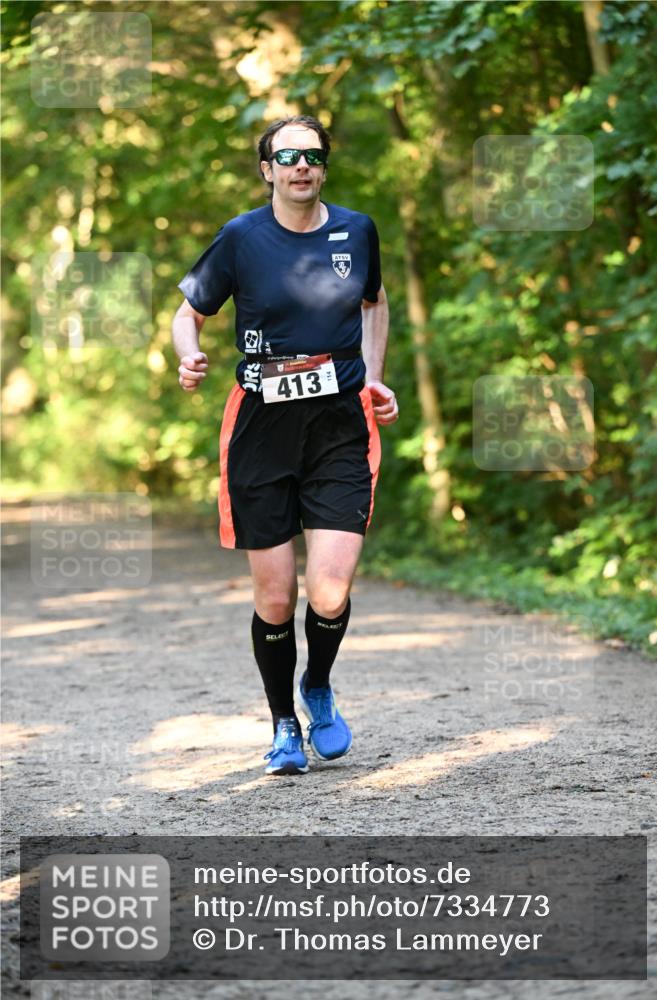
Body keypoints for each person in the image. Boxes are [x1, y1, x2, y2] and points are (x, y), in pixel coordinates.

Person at [172, 115, 398, 777]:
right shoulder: (241, 237)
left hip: (338, 424)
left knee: (328, 592)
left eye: (313, 156)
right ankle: (281, 726)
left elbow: (373, 302)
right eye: (287, 156)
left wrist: (374, 372)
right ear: (267, 169)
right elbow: (189, 313)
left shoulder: (356, 230)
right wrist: (189, 356)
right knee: (274, 599)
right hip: (260, 428)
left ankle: (318, 686)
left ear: (323, 168)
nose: (301, 166)